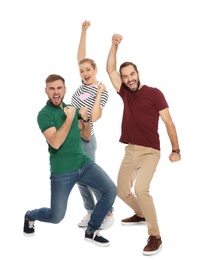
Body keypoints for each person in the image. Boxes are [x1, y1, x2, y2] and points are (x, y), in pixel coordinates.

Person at [106, 34, 181, 255]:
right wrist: (114, 46)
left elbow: (169, 122)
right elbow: (110, 69)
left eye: (132, 74)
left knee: (141, 188)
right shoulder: (125, 94)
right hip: (130, 150)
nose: (129, 79)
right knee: (121, 190)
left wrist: (176, 150)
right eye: (125, 76)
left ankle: (155, 235)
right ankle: (140, 213)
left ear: (138, 74)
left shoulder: (154, 94)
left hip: (150, 152)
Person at [23, 74, 117, 247]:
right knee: (56, 216)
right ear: (46, 91)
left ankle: (91, 230)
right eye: (52, 88)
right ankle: (30, 215)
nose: (56, 92)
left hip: (83, 163)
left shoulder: (71, 109)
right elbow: (56, 142)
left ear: (65, 90)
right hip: (62, 170)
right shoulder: (44, 115)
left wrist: (85, 119)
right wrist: (70, 118)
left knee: (111, 190)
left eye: (59, 88)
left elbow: (87, 136)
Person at [71, 20, 114, 229]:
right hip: (72, 139)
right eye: (82, 71)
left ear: (95, 69)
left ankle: (107, 211)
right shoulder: (82, 85)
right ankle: (90, 211)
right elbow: (81, 56)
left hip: (86, 140)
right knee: (78, 178)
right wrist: (84, 31)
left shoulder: (102, 91)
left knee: (90, 176)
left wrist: (97, 94)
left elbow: (95, 117)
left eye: (88, 69)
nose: (85, 73)